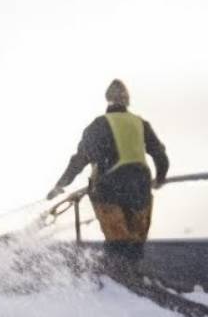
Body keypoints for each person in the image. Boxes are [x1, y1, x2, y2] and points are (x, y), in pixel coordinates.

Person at [46, 79, 169, 279]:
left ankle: (117, 277)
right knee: (135, 239)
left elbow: (80, 159)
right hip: (140, 188)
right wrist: (160, 178)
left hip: (109, 189)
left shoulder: (99, 125)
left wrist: (61, 185)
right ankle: (134, 275)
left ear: (108, 101)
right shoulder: (140, 124)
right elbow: (160, 155)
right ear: (127, 101)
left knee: (117, 239)